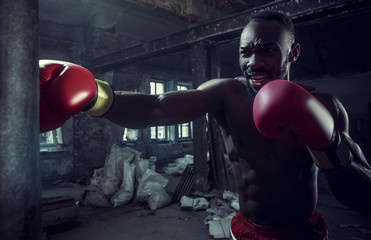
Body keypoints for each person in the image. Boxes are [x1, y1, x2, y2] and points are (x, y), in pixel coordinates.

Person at [40, 11, 371, 240]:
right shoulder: (227, 95)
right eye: (245, 53)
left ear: (292, 52)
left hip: (302, 232)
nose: (253, 62)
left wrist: (328, 146)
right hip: (247, 229)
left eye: (268, 51)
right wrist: (95, 96)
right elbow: (156, 108)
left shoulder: (325, 106)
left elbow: (362, 192)